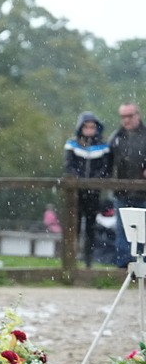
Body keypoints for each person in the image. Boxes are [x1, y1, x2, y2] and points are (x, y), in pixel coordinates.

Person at [63, 111, 111, 267]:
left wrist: (94, 182)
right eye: (87, 127)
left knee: (91, 227)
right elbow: (69, 166)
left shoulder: (103, 146)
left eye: (92, 127)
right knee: (74, 226)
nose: (89, 130)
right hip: (76, 194)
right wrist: (80, 181)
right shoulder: (72, 144)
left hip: (94, 193)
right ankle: (71, 261)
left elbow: (106, 168)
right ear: (81, 128)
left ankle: (88, 261)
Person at [109, 103, 146, 268]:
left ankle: (142, 265)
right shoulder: (115, 138)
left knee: (143, 231)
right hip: (121, 192)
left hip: (143, 193)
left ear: (137, 115)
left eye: (129, 116)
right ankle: (124, 266)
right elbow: (107, 163)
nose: (126, 120)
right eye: (123, 116)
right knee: (122, 230)